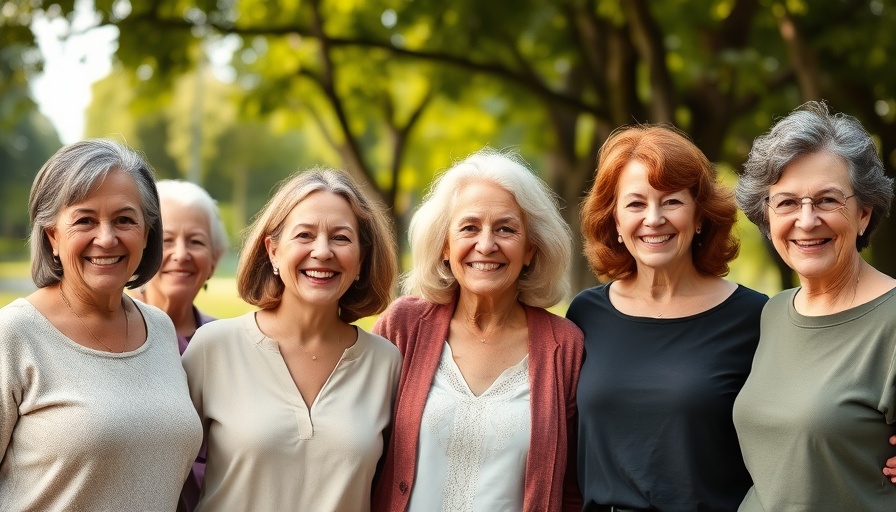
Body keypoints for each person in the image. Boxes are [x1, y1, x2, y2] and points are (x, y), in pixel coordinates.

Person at [566, 125, 768, 511]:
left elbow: (803, 419)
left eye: (671, 201)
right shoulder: (585, 315)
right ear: (616, 223)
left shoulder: (755, 317)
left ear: (699, 217)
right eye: (636, 204)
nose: (654, 218)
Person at [372, 148, 584, 512]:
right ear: (445, 245)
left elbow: (572, 489)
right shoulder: (403, 327)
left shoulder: (564, 347)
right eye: (469, 227)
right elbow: (360, 449)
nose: (486, 245)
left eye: (506, 229)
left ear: (531, 248)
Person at [181, 168, 400, 511]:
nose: (323, 251)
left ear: (361, 260)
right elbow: (163, 473)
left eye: (341, 238)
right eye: (305, 235)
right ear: (273, 251)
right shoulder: (213, 348)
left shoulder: (386, 363)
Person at [0, 139, 202, 510]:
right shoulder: (13, 335)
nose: (107, 238)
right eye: (85, 220)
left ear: (146, 232)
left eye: (124, 219)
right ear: (52, 236)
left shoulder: (159, 329)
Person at [732, 101, 896, 510]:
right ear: (766, 217)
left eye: (827, 200)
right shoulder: (773, 313)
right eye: (786, 202)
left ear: (864, 214)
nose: (806, 221)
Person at [129, 179, 228, 511]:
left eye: (196, 241)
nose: (181, 254)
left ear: (215, 259)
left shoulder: (228, 344)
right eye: (167, 240)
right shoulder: (111, 335)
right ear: (143, 247)